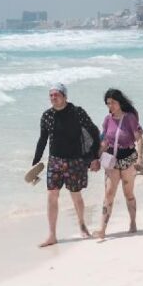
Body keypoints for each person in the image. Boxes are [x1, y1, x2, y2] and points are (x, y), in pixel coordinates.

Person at [30, 83, 100, 247]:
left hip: (75, 160)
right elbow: (42, 140)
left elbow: (94, 131)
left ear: (65, 96)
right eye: (51, 95)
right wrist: (35, 163)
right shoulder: (47, 116)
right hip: (55, 161)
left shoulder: (77, 112)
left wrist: (95, 156)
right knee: (52, 196)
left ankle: (82, 225)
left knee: (76, 195)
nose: (53, 98)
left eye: (57, 94)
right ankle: (52, 235)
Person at [94, 88, 143, 240]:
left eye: (113, 103)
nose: (111, 106)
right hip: (111, 160)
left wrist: (140, 158)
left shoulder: (130, 118)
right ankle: (102, 229)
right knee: (109, 193)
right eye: (108, 104)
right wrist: (96, 158)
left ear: (120, 102)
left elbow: (139, 139)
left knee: (128, 193)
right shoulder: (107, 120)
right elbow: (104, 141)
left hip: (128, 159)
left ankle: (133, 223)